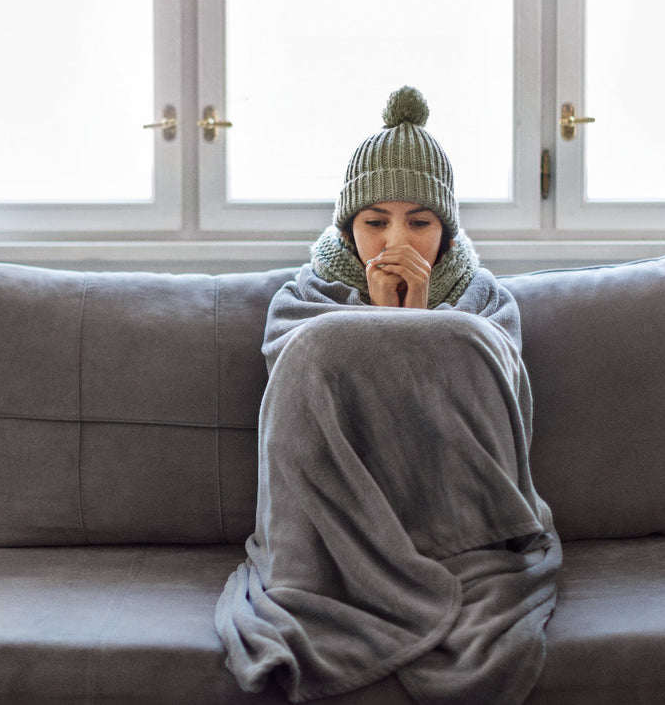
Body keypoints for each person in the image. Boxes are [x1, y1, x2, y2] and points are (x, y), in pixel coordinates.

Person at [215, 87, 560, 705]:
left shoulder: (486, 304)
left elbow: (499, 396)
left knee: (463, 339)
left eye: (419, 222)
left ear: (447, 235)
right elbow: (295, 377)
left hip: (455, 522)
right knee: (321, 346)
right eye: (375, 222)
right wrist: (374, 322)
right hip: (332, 531)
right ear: (348, 231)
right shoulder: (302, 301)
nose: (394, 239)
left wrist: (419, 322)